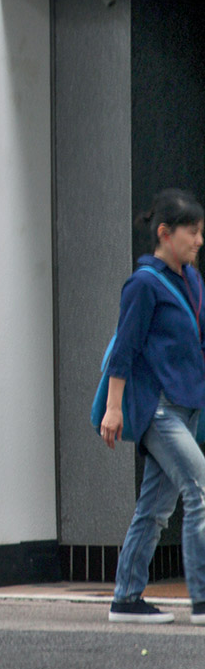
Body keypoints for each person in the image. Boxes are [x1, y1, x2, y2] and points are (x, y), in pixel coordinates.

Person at [100, 188, 205, 624]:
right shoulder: (143, 284)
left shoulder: (193, 281)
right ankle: (202, 600)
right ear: (165, 233)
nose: (199, 240)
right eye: (192, 232)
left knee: (155, 510)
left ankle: (126, 598)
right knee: (200, 490)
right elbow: (124, 350)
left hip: (187, 407)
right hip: (158, 410)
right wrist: (114, 408)